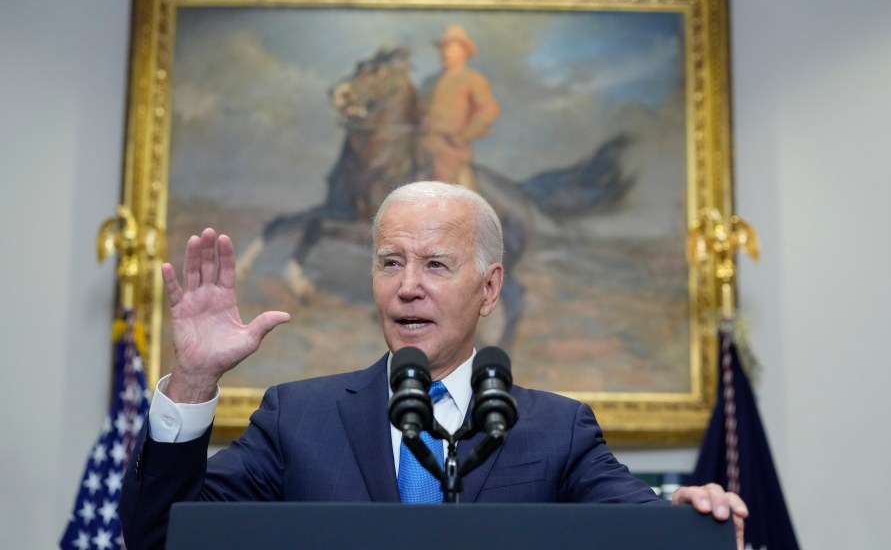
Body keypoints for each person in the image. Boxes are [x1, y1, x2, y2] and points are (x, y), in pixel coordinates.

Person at [120, 181, 747, 549]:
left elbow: (639, 530)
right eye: (390, 263)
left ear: (491, 287)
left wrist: (688, 515)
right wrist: (196, 379)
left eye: (436, 265)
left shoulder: (557, 431)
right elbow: (159, 537)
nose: (407, 287)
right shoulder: (297, 419)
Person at [418, 25, 501, 188]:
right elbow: (417, 110)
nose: (446, 53)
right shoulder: (430, 81)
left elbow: (490, 109)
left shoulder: (472, 79)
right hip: (422, 148)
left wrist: (464, 136)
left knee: (442, 190)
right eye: (444, 48)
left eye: (452, 48)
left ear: (464, 52)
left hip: (451, 150)